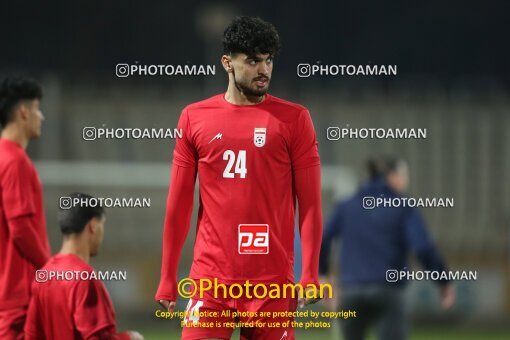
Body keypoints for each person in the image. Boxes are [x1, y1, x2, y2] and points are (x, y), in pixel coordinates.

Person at [155, 16, 323, 339]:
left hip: (271, 287)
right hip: (210, 282)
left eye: (268, 60)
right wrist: (167, 276)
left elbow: (311, 205)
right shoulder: (193, 118)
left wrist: (310, 273)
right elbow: (178, 206)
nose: (264, 69)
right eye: (253, 60)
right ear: (226, 63)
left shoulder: (295, 120)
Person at [319, 156, 456, 340]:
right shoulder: (403, 206)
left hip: (351, 290)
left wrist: (323, 275)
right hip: (389, 291)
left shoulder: (346, 206)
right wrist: (443, 281)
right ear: (393, 177)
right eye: (404, 176)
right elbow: (422, 247)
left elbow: (324, 239)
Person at [24, 192, 143, 340]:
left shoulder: (43, 275)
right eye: (102, 225)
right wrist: (129, 338)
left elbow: (31, 335)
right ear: (93, 225)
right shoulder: (84, 278)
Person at [0, 77, 51, 339]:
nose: (41, 116)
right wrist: (52, 267)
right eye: (37, 108)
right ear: (23, 112)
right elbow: (20, 228)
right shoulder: (15, 161)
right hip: (17, 296)